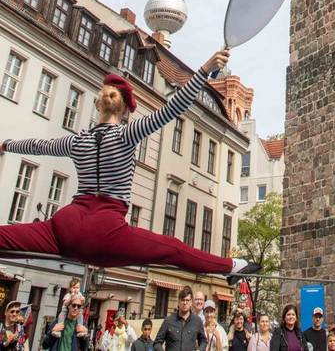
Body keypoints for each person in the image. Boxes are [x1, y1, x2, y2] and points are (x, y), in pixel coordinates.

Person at [0, 50, 259, 279]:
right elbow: (173, 108)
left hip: (65, 225)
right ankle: (232, 266)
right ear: (125, 111)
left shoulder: (77, 141)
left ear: (98, 105)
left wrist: (6, 144)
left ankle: (232, 267)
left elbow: (37, 146)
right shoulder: (127, 134)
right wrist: (203, 70)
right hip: (105, 231)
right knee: (172, 249)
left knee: (5, 236)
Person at [154, 286, 206, 351]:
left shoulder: (197, 321)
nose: (185, 303)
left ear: (191, 302)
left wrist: (200, 350)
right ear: (178, 302)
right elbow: (157, 343)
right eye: (183, 300)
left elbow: (203, 341)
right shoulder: (168, 320)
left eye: (187, 300)